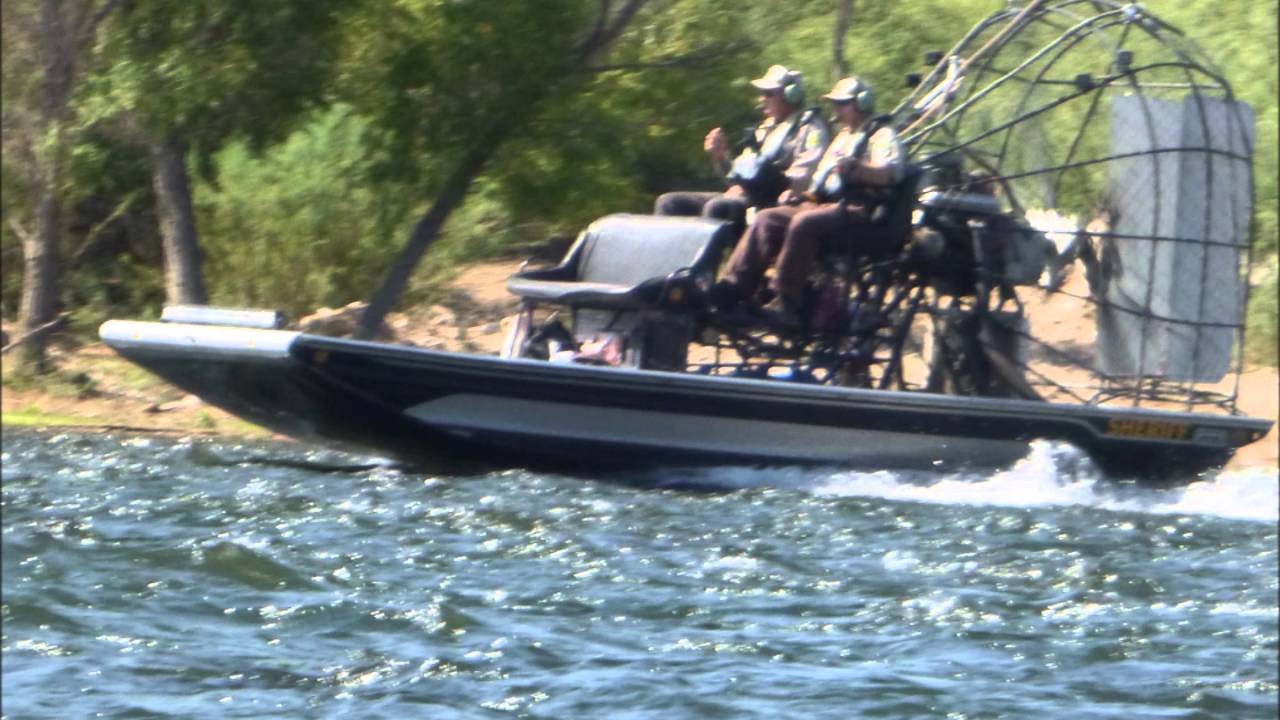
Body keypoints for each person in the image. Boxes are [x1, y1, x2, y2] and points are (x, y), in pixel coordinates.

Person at [713, 75, 906, 318]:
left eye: (842, 103)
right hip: (825, 205)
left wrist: (859, 169)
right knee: (767, 218)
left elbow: (891, 172)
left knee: (803, 223)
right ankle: (733, 290)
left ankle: (787, 300)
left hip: (860, 210)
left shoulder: (881, 135)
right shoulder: (843, 136)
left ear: (862, 103)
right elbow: (820, 182)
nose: (835, 109)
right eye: (834, 103)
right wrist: (800, 196)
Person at [654, 65, 830, 237]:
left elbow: (800, 180)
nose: (762, 99)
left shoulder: (810, 129)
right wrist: (721, 157)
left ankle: (708, 266)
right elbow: (738, 175)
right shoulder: (765, 129)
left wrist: (749, 187)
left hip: (772, 200)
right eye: (761, 93)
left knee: (718, 207)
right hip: (744, 196)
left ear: (790, 95)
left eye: (768, 93)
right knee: (669, 202)